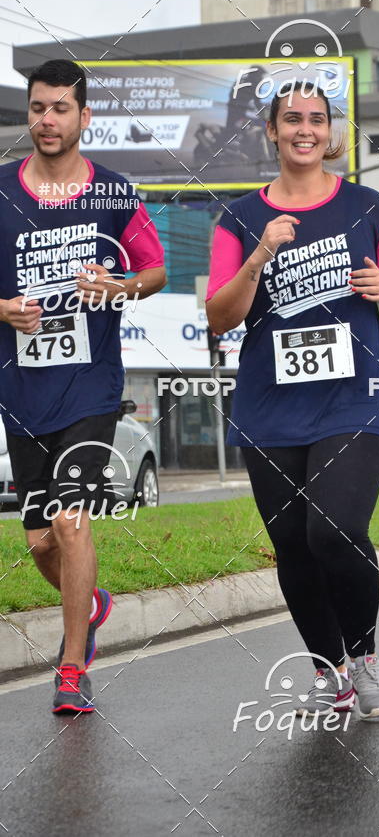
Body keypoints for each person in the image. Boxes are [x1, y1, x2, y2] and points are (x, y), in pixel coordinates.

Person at [206, 82, 379, 720]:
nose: (305, 130)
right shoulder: (238, 218)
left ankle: (366, 656)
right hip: (270, 405)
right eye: (291, 119)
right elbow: (220, 316)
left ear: (331, 131)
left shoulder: (370, 206)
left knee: (336, 531)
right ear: (271, 131)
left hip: (353, 399)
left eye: (316, 120)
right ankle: (332, 673)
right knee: (294, 544)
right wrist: (262, 251)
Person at [0, 59, 166, 714]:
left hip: (90, 390)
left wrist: (119, 286)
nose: (47, 119)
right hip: (21, 391)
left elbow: (154, 270)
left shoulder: (116, 195)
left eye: (60, 108)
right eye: (38, 108)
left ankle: (72, 669)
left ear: (83, 117)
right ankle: (89, 604)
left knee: (71, 523)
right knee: (42, 540)